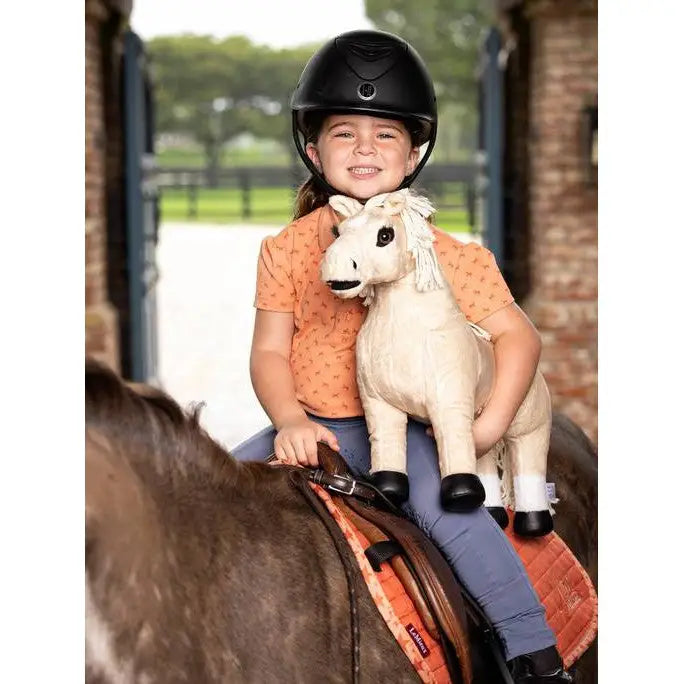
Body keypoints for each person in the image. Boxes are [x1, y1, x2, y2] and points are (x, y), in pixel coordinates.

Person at [233, 30, 573, 684]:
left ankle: (533, 654)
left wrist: (492, 424)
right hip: (309, 425)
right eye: (344, 133)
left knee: (455, 516)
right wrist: (290, 421)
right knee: (210, 496)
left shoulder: (444, 252)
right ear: (312, 148)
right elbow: (270, 351)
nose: (364, 146)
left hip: (404, 434)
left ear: (414, 152)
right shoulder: (286, 250)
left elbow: (517, 337)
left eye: (385, 134)